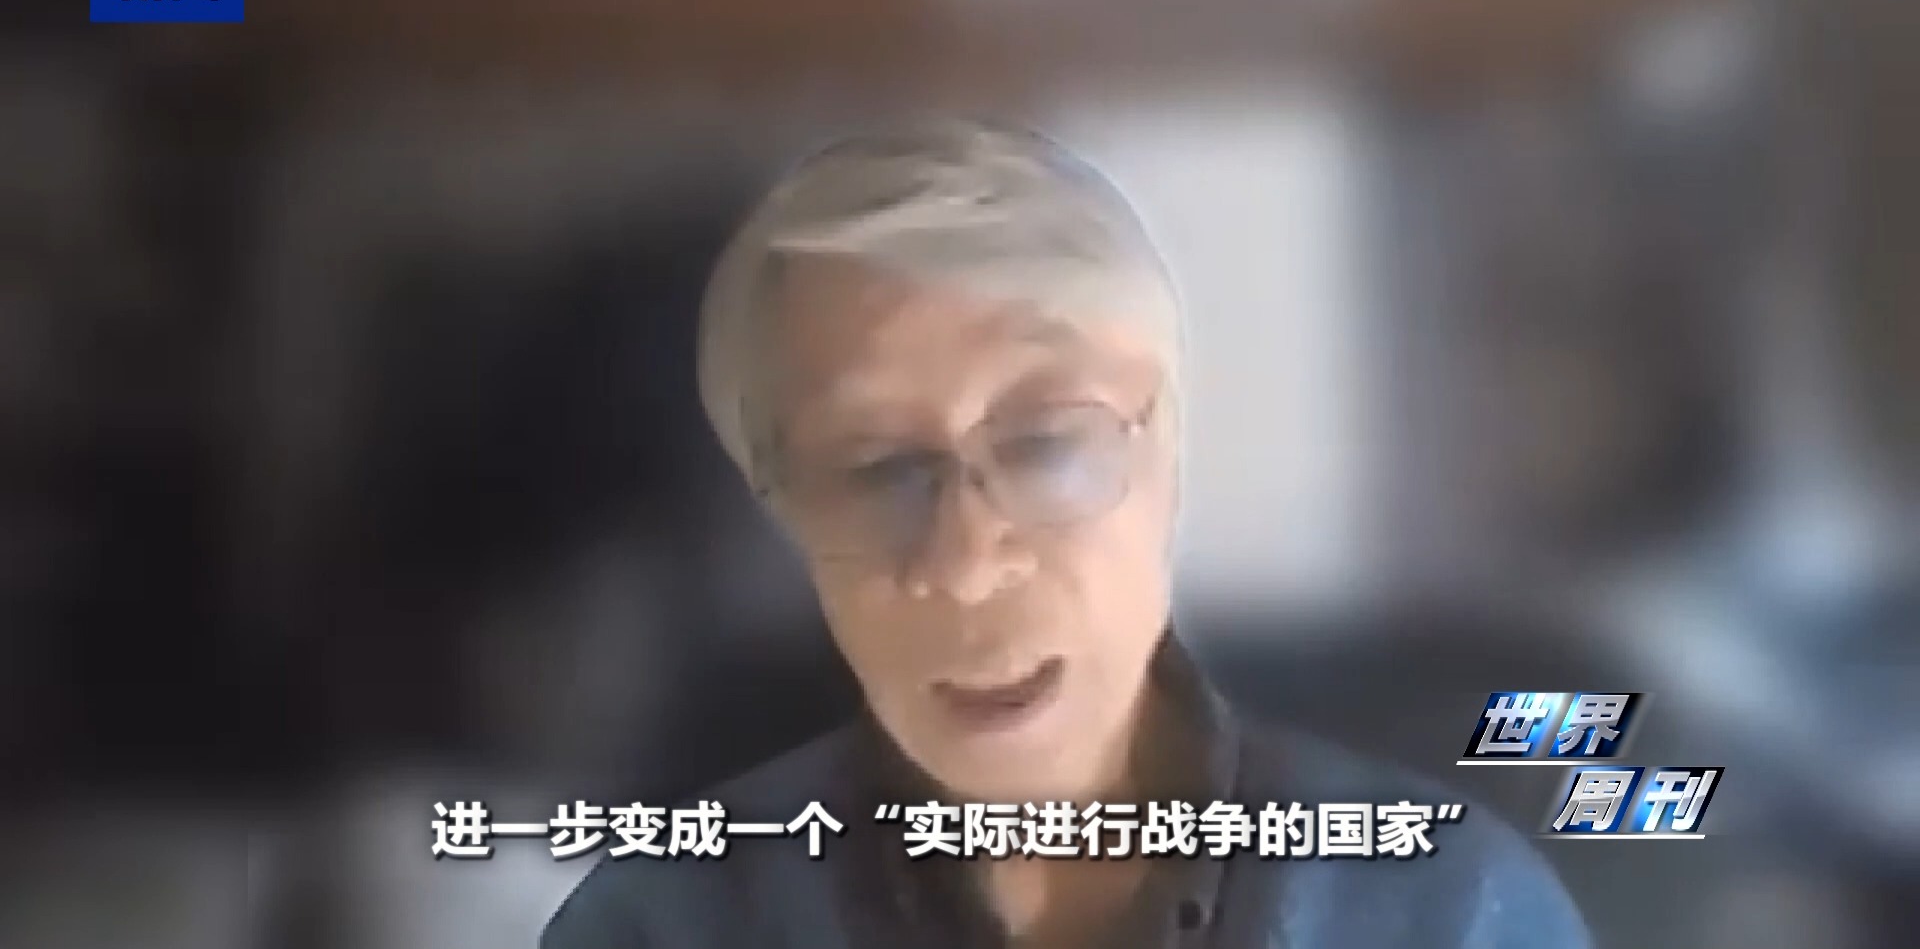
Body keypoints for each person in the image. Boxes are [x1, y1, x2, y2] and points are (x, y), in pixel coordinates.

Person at [542, 121, 1591, 948]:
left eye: (1047, 445)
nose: (966, 564)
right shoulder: (661, 925)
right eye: (873, 472)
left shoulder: (1451, 913)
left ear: (1168, 451)